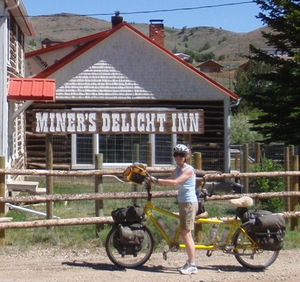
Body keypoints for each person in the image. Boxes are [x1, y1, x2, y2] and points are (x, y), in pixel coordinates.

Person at [149, 144, 198, 275]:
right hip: (183, 202)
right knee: (185, 233)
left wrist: (156, 179)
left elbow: (175, 182)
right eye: (176, 154)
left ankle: (193, 264)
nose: (178, 157)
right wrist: (152, 181)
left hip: (189, 203)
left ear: (186, 156)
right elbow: (167, 181)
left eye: (181, 155)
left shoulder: (189, 170)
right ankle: (190, 262)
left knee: (185, 234)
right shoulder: (177, 169)